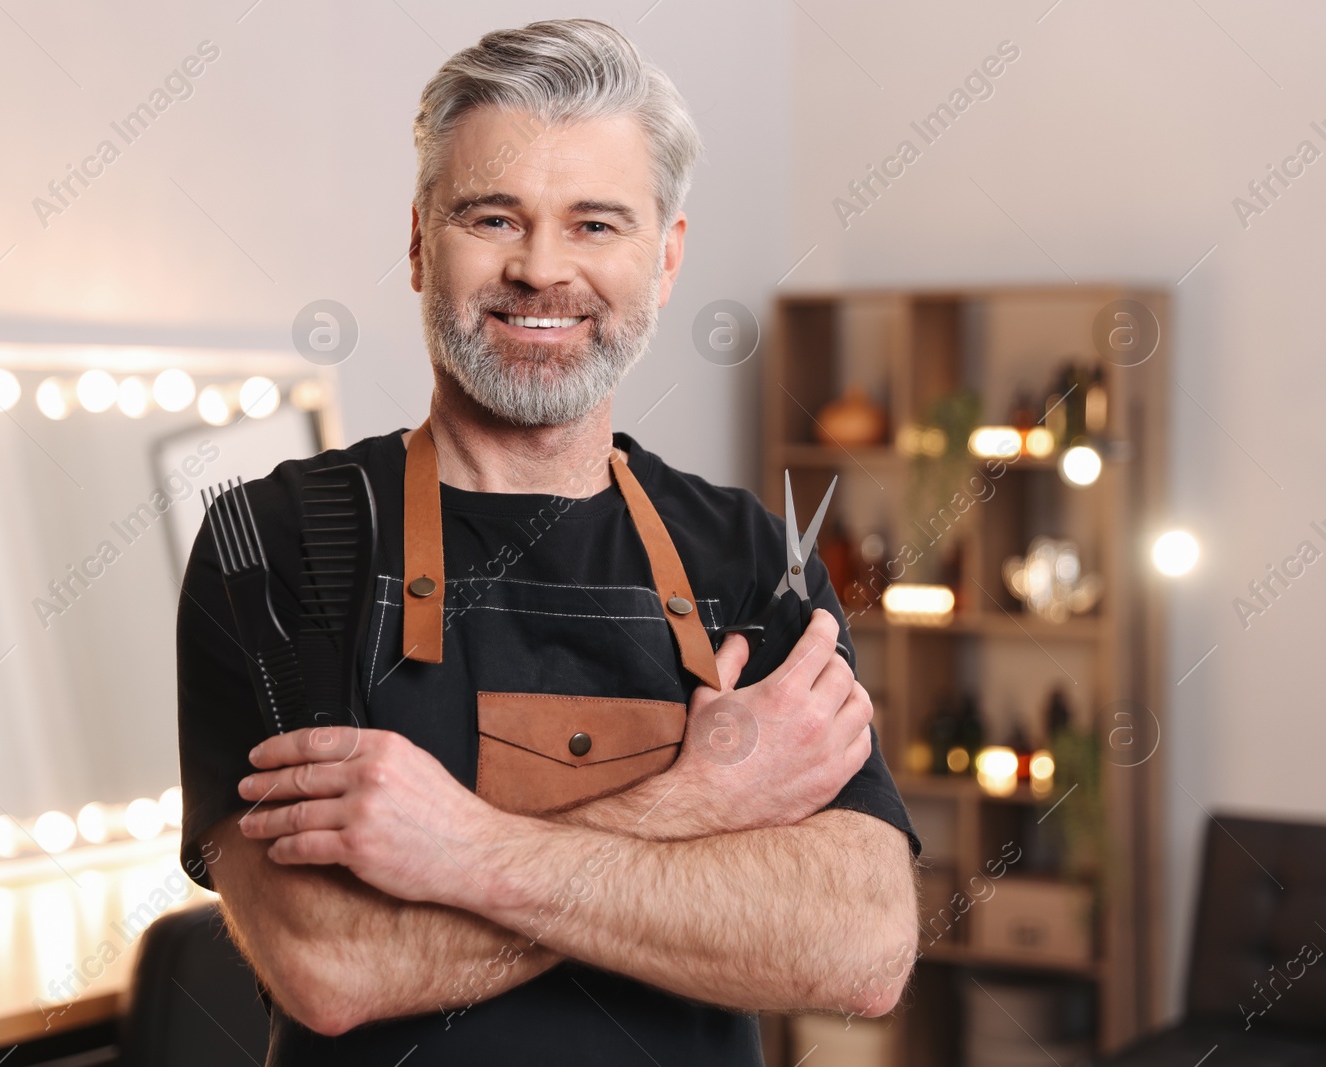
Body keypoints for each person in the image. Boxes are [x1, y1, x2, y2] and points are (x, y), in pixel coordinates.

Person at [176, 18, 920, 1065]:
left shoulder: (753, 558)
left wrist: (460, 849)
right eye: (493, 216)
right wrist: (697, 804)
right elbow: (331, 965)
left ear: (664, 259)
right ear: (418, 241)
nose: (540, 269)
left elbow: (858, 944)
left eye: (595, 224)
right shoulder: (275, 541)